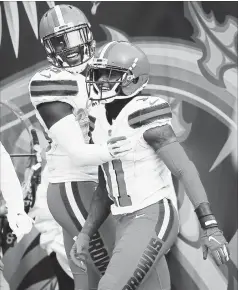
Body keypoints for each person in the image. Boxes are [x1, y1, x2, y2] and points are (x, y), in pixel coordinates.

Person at [70, 41, 230, 290]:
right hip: (124, 220)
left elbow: (184, 168)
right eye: (98, 74)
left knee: (109, 287)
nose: (100, 81)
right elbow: (105, 188)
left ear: (132, 80)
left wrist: (210, 225)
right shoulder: (97, 119)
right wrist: (85, 233)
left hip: (153, 214)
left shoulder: (144, 114)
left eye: (109, 74)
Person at [29, 6, 131, 290]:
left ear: (87, 34)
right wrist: (120, 149)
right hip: (73, 184)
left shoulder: (101, 68)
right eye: (60, 41)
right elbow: (77, 150)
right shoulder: (49, 83)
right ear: (49, 47)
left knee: (87, 274)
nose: (70, 48)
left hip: (98, 182)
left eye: (75, 37)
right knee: (114, 269)